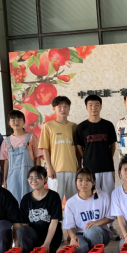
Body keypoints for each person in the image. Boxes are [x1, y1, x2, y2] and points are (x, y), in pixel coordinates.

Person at [75, 94, 119, 240]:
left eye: (96, 105)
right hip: (90, 170)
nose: (93, 108)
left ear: (101, 106)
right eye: (90, 105)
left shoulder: (108, 125)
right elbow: (79, 148)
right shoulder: (82, 127)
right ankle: (93, 225)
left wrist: (106, 158)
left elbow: (112, 146)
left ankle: (110, 226)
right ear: (86, 107)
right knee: (91, 197)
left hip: (107, 167)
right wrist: (88, 160)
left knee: (108, 196)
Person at [39, 96, 79, 243]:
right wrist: (49, 168)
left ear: (69, 108)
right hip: (55, 172)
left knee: (73, 203)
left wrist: (79, 166)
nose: (63, 109)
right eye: (59, 107)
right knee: (55, 203)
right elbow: (45, 149)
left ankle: (73, 233)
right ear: (54, 109)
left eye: (65, 106)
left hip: (73, 170)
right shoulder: (48, 126)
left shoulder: (74, 126)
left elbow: (78, 149)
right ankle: (56, 234)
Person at [63, 168, 115, 253]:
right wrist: (73, 237)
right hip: (81, 234)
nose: (84, 183)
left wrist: (96, 223)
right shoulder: (71, 203)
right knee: (80, 247)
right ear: (76, 182)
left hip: (100, 233)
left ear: (93, 182)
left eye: (88, 180)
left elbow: (111, 217)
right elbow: (69, 226)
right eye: (80, 180)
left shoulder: (103, 196)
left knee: (91, 231)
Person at [16, 166, 62, 253]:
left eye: (37, 177)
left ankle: (49, 252)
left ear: (45, 179)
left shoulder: (53, 196)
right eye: (31, 178)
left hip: (51, 236)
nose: (33, 181)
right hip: (34, 236)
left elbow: (54, 222)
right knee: (21, 230)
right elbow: (25, 225)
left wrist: (46, 244)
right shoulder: (26, 199)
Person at [0, 110, 42, 203]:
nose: (16, 122)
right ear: (9, 123)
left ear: (24, 122)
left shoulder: (32, 137)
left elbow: (37, 158)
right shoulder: (6, 141)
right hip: (12, 177)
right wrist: (5, 180)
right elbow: (6, 162)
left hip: (30, 175)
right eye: (13, 120)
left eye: (19, 119)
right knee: (14, 202)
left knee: (32, 201)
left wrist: (38, 175)